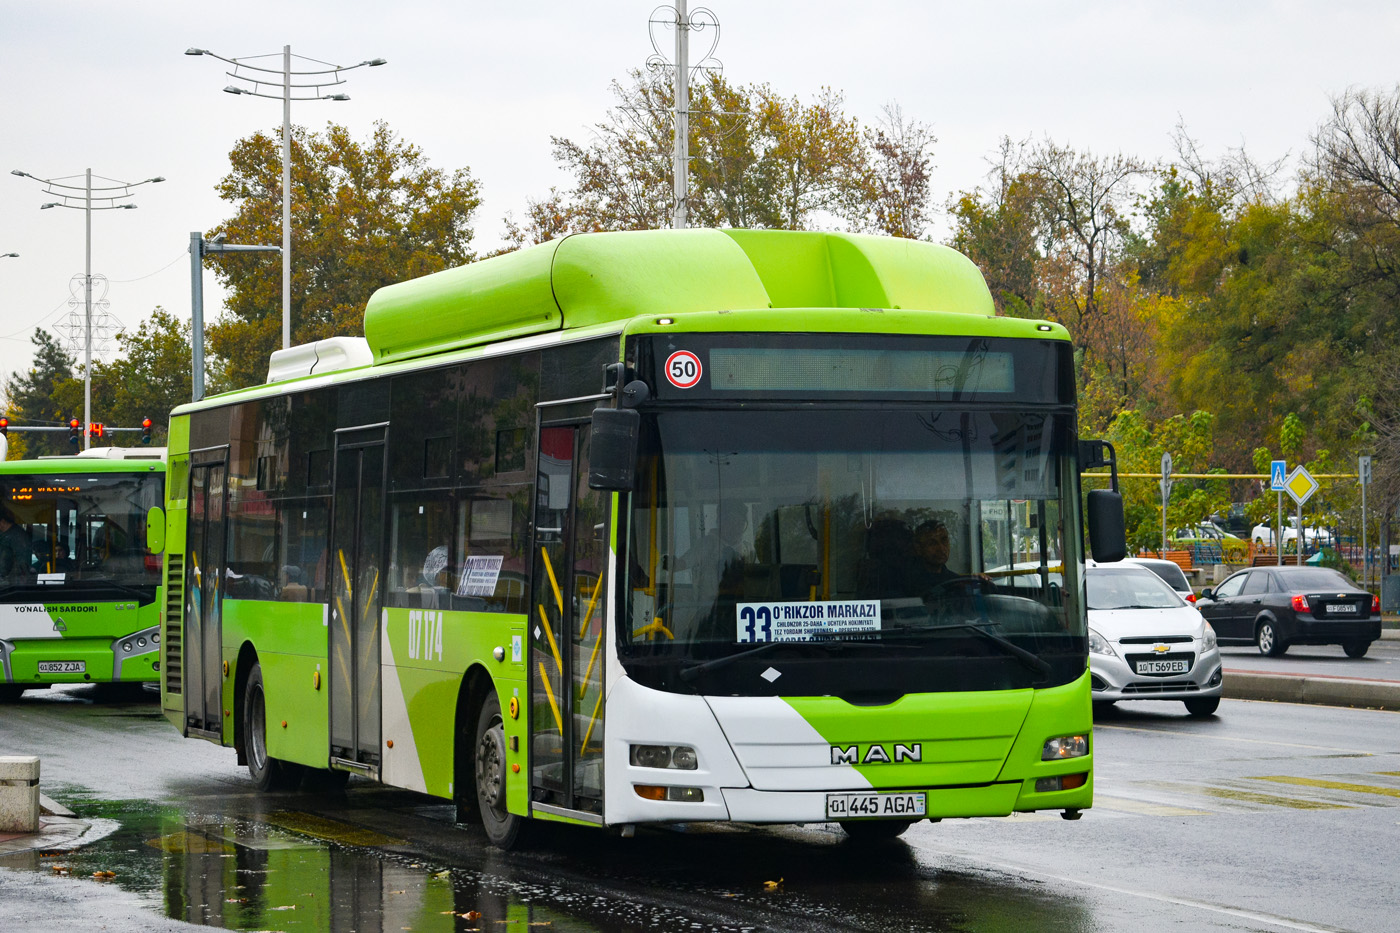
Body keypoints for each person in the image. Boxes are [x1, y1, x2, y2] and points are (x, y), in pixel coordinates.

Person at [0, 509, 34, 584]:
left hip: (12, 586)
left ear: (2, 521)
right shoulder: (4, 535)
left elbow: (22, 563)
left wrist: (8, 581)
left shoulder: (18, 537)